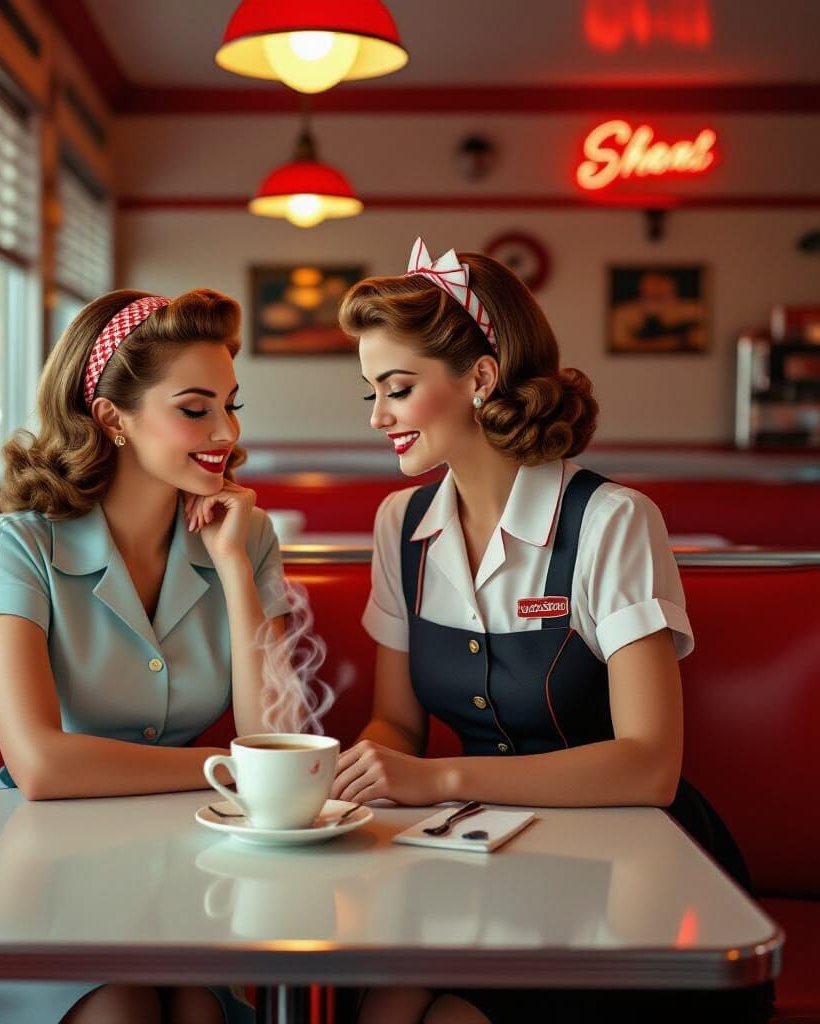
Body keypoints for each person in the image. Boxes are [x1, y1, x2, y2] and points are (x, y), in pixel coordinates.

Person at [331, 239, 771, 1024]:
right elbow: (397, 723)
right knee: (384, 1009)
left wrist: (439, 781)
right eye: (370, 390)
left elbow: (649, 767)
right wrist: (356, 782)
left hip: (629, 865)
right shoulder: (400, 524)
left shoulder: (612, 521)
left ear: (480, 377)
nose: (378, 416)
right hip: (477, 852)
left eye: (396, 388)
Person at [0, 288, 290, 1024]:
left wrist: (230, 567)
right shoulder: (20, 542)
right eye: (195, 408)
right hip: (36, 858)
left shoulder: (245, 537)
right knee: (115, 1008)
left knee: (197, 1010)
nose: (226, 430)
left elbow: (276, 743)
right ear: (112, 418)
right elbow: (39, 764)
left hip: (184, 852)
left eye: (231, 403)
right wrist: (232, 772)